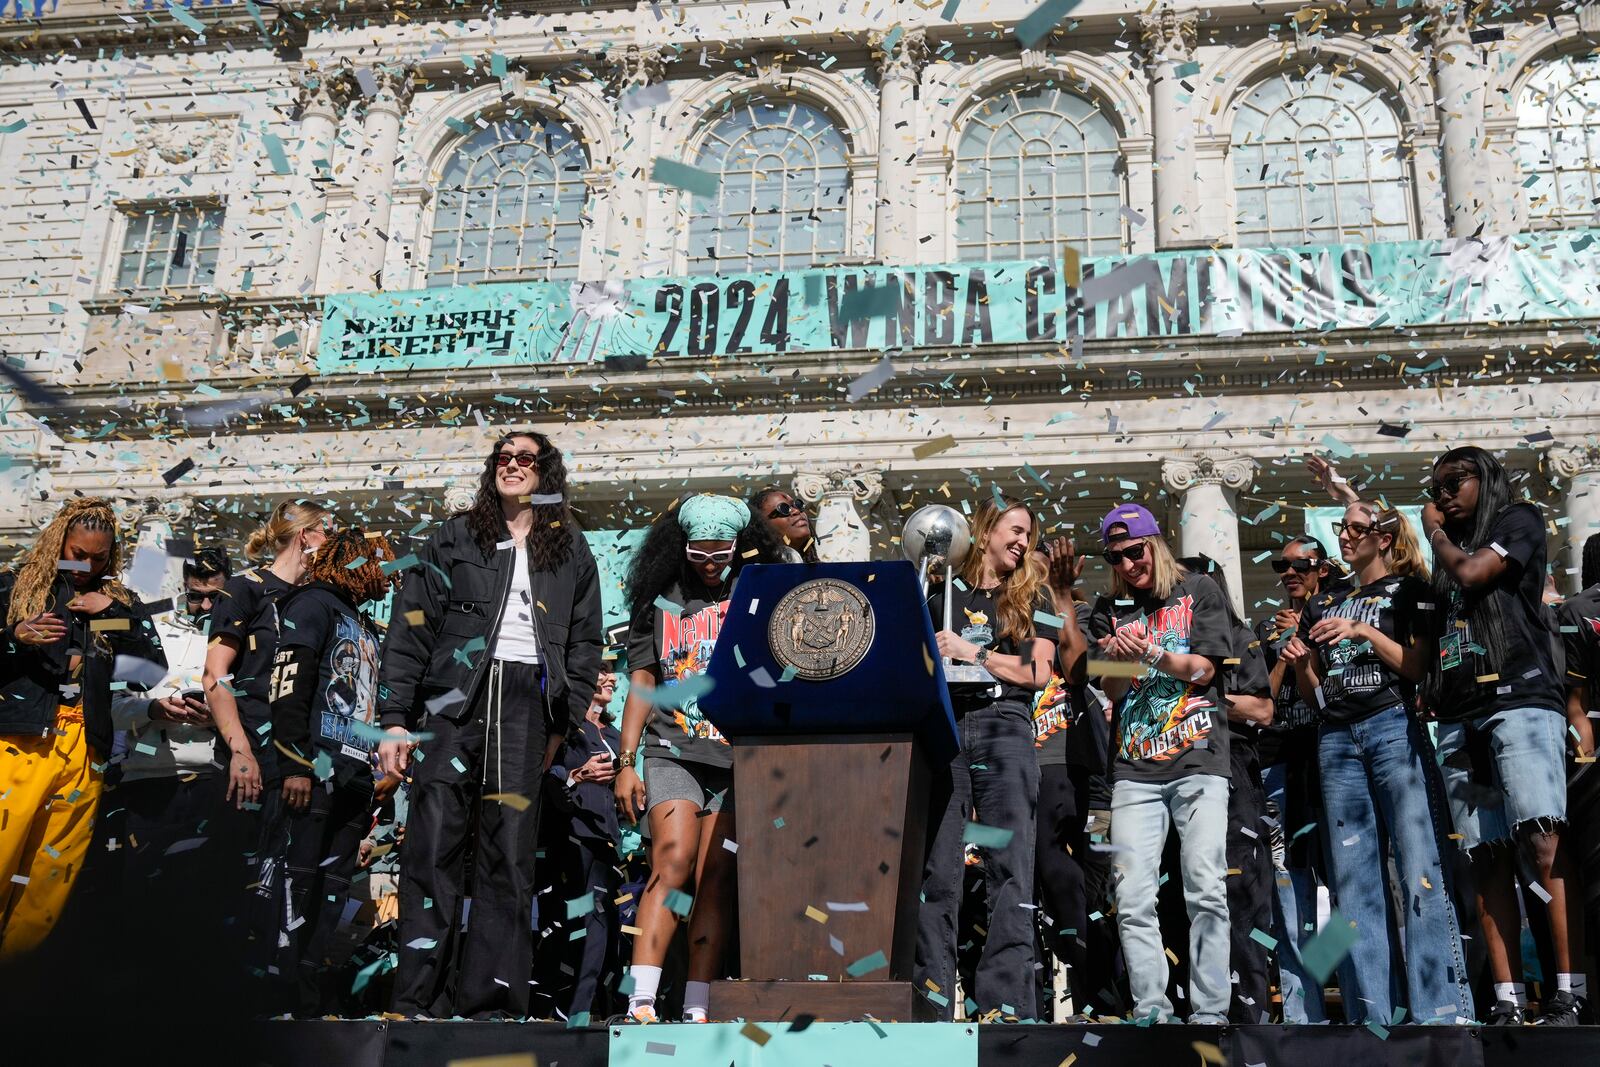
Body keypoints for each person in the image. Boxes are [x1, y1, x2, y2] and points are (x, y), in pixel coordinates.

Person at [378, 430, 603, 1020]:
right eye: (503, 458)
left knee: (509, 852)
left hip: (529, 699)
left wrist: (565, 720)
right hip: (455, 697)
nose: (511, 466)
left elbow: (584, 643)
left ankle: (490, 1005)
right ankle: (416, 998)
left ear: (545, 472)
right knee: (433, 845)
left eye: (525, 459)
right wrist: (395, 720)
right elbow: (412, 627)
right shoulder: (455, 535)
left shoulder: (571, 546)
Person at [1280, 502, 1471, 1024]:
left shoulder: (1410, 590)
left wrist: (1364, 632)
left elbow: (1416, 665)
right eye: (1340, 528)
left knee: (1419, 870)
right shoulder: (1323, 603)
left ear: (1383, 539)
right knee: (1355, 883)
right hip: (1335, 739)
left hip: (1392, 726)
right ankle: (1374, 1017)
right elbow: (1317, 696)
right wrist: (1300, 667)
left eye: (1354, 529)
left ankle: (1441, 1014)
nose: (1343, 536)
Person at [1421, 446, 1587, 1024]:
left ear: (1485, 479)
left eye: (1455, 481)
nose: (1442, 493)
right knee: (1485, 856)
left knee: (1542, 841)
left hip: (1519, 700)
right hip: (1460, 713)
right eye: (1436, 485)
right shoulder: (1444, 559)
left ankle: (1570, 988)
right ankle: (1508, 997)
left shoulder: (1517, 520)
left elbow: (1474, 573)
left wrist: (1434, 535)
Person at [613, 494, 785, 1023]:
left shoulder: (756, 594)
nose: (711, 564)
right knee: (673, 862)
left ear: (741, 547)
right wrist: (626, 761)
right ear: (679, 549)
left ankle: (697, 1004)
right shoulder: (658, 603)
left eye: (721, 553)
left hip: (737, 757)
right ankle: (640, 999)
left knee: (716, 879)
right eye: (699, 554)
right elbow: (643, 681)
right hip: (672, 749)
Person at [1073, 503, 1232, 1025]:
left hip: (1199, 759)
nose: (1127, 565)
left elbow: (1205, 670)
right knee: (1133, 893)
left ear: (1155, 544)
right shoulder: (1105, 609)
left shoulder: (1202, 588)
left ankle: (1210, 1012)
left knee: (1204, 887)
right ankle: (1151, 1010)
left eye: (1135, 551)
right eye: (1115, 556)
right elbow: (1110, 688)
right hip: (1134, 770)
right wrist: (1121, 658)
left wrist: (1152, 653)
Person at [0, 498, 166, 955]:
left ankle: (15, 977)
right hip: (20, 742)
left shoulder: (115, 602)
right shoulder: (14, 588)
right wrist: (15, 639)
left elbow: (153, 671)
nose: (86, 566)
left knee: (51, 877)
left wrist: (116, 614)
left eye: (98, 558)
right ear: (58, 542)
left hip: (86, 749)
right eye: (77, 553)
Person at [917, 498, 1058, 1022]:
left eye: (1028, 534)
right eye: (1015, 530)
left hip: (1005, 728)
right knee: (938, 869)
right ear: (984, 529)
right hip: (947, 728)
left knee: (1009, 865)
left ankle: (1006, 1004)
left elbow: (1039, 672)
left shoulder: (1036, 595)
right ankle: (928, 1004)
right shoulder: (938, 590)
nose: (1023, 542)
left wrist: (971, 652)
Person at [205, 500, 333, 983]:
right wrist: (239, 748)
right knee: (245, 879)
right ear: (306, 536)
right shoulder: (246, 588)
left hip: (301, 762)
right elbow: (216, 676)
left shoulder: (319, 598)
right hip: (253, 757)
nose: (333, 544)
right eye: (327, 534)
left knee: (290, 883)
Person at [270, 528, 392, 1017]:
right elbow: (288, 688)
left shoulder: (362, 624)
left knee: (334, 886)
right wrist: (296, 763)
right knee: (295, 880)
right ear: (357, 563)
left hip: (355, 776)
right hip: (314, 768)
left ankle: (312, 995)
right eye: (379, 564)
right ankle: (275, 992)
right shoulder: (312, 605)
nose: (386, 576)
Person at [102, 547, 233, 916]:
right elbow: (113, 706)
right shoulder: (152, 633)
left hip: (213, 780)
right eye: (196, 596)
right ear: (183, 589)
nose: (205, 606)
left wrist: (218, 716)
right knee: (142, 892)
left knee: (203, 894)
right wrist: (153, 708)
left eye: (215, 597)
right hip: (149, 782)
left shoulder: (239, 639)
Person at [1030, 537, 1126, 1020]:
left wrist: (1062, 598)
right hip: (1031, 771)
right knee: (1051, 891)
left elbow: (1091, 669)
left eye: (1043, 555)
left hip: (1093, 776)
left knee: (1098, 891)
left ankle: (1103, 1002)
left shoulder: (1085, 612)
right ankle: (1041, 1005)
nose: (1038, 562)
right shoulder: (1010, 614)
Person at [1179, 555, 1276, 1024]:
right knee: (1180, 891)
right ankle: (1189, 1007)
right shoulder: (1160, 635)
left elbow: (1261, 710)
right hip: (1167, 770)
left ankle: (1247, 1014)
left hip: (1230, 767)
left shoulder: (1240, 636)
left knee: (1237, 890)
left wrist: (1202, 694)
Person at [1254, 534, 1344, 1021]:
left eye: (1300, 565)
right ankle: (1301, 1010)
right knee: (1289, 885)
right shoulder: (1267, 626)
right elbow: (1263, 704)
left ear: (1322, 570)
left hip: (1332, 755)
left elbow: (1343, 685)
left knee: (1348, 883)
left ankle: (1352, 995)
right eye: (1280, 565)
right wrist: (1286, 656)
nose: (1290, 573)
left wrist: (1309, 643)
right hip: (1278, 759)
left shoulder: (1340, 614)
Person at [543, 664, 624, 1022]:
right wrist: (578, 776)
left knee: (603, 920)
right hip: (570, 835)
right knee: (566, 920)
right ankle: (550, 1001)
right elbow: (548, 774)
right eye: (601, 672)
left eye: (613, 675)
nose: (610, 679)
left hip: (607, 840)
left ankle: (584, 1009)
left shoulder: (619, 735)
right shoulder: (567, 728)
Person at [748, 487, 818, 563]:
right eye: (784, 508)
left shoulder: (826, 573)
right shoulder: (751, 573)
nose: (796, 511)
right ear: (761, 526)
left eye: (798, 505)